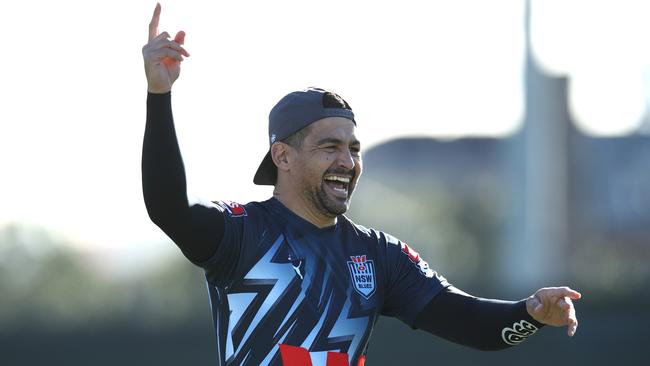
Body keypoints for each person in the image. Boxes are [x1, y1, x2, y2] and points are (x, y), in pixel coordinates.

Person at [141, 4, 581, 366]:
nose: (347, 161)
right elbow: (168, 206)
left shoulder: (378, 255)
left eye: (354, 148)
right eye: (329, 146)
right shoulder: (242, 233)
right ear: (283, 157)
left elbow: (468, 322)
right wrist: (160, 95)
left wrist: (530, 312)